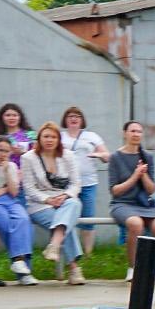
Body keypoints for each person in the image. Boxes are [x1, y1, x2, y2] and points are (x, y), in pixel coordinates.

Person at [22, 122, 88, 284]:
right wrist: (48, 200)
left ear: (59, 139)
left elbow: (76, 184)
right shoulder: (28, 158)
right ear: (39, 139)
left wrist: (65, 196)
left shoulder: (68, 155)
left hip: (64, 200)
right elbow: (29, 188)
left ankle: (54, 245)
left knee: (74, 204)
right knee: (67, 224)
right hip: (39, 203)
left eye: (53, 137)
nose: (49, 140)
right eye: (46, 136)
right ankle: (74, 269)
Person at [108, 121, 155, 282]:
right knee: (136, 224)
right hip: (121, 204)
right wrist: (135, 176)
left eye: (139, 132)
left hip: (144, 204)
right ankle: (133, 267)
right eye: (133, 131)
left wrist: (143, 175)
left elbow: (151, 189)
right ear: (125, 133)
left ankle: (152, 266)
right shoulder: (115, 157)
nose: (136, 135)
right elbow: (114, 190)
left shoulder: (147, 156)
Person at [0, 137, 38, 286]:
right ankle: (23, 269)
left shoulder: (11, 166)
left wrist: (6, 173)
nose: (3, 154)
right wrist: (4, 189)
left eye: (6, 151)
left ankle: (20, 265)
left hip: (11, 202)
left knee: (24, 221)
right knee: (6, 223)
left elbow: (14, 193)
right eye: (0, 150)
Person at [60, 106, 109, 254]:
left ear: (82, 120)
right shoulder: (60, 136)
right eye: (70, 116)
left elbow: (107, 156)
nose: (74, 119)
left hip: (88, 183)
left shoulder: (92, 136)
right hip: (65, 184)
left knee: (88, 219)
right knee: (65, 217)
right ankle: (69, 253)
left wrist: (99, 155)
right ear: (65, 120)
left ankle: (87, 254)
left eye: (77, 116)